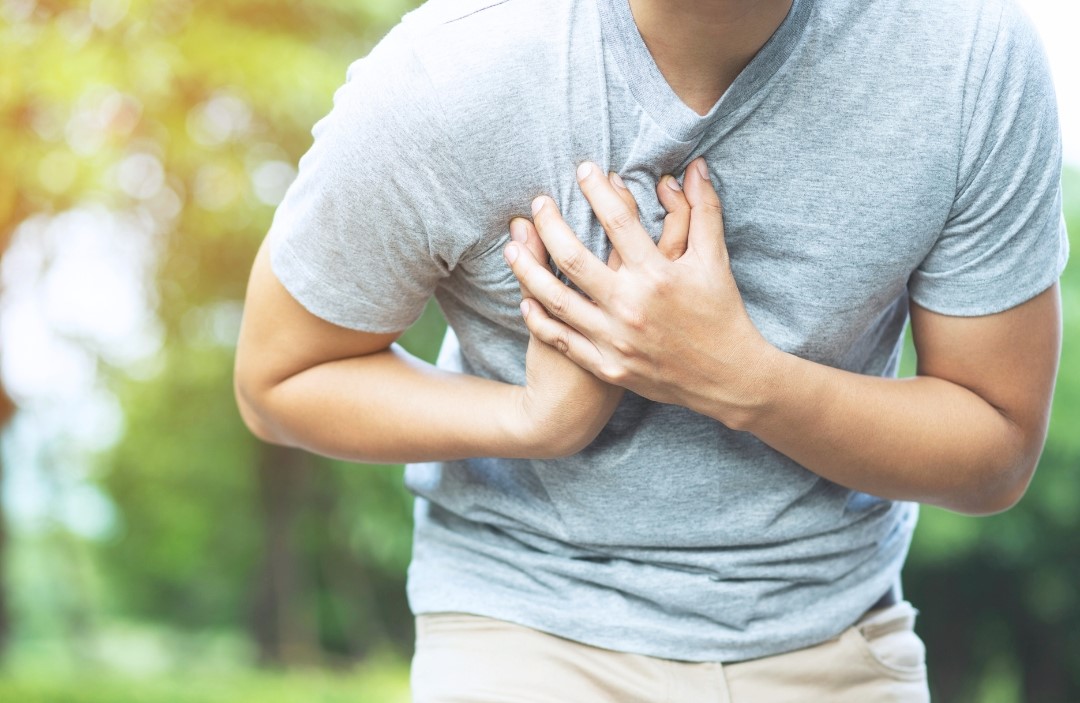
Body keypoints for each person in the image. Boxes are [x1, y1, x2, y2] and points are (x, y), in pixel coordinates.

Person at [234, 0, 1068, 699]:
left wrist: (742, 379)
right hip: (527, 626)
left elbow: (996, 447)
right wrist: (531, 419)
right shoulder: (450, 71)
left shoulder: (968, 57)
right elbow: (279, 379)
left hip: (836, 637)